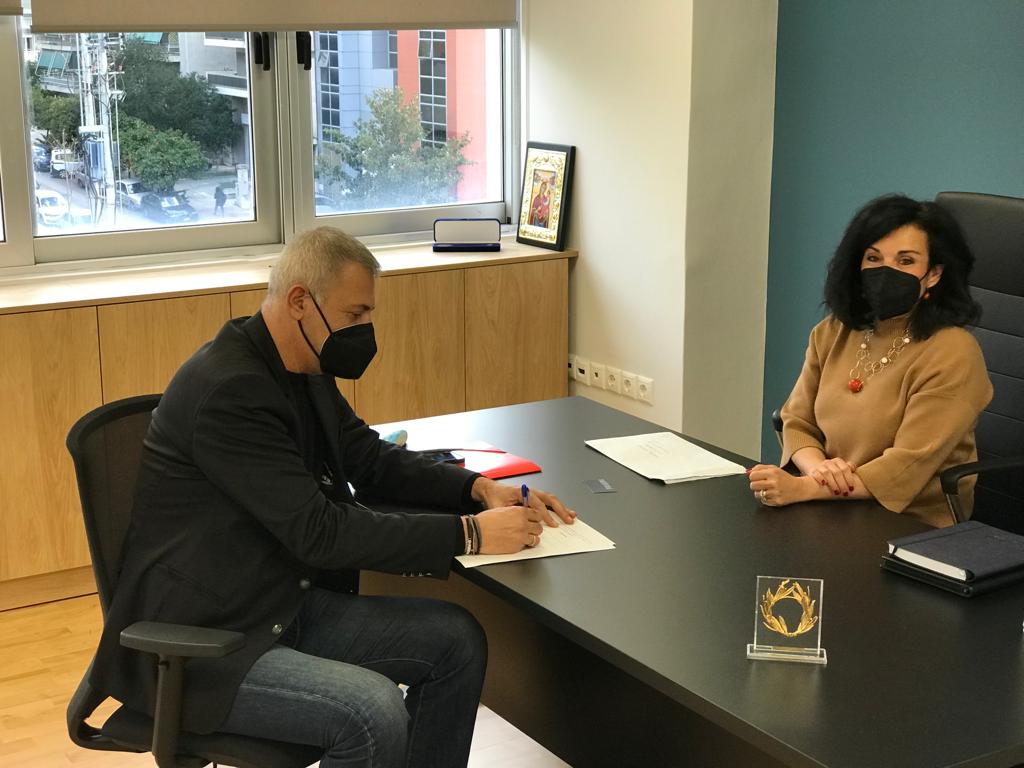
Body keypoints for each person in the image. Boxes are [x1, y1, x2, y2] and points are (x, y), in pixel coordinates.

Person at [89, 226, 577, 768]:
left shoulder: (301, 366)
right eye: (355, 314)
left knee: (455, 641)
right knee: (372, 710)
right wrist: (470, 535)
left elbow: (368, 459)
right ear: (300, 301)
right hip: (208, 639)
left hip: (277, 602)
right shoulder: (231, 391)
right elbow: (319, 533)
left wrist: (477, 489)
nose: (365, 329)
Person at [749, 195, 992, 528]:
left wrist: (804, 488)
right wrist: (819, 470)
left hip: (908, 523)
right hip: (829, 504)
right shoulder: (834, 331)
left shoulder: (954, 352)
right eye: (874, 258)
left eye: (906, 261)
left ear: (934, 274)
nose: (886, 271)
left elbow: (906, 466)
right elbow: (797, 421)